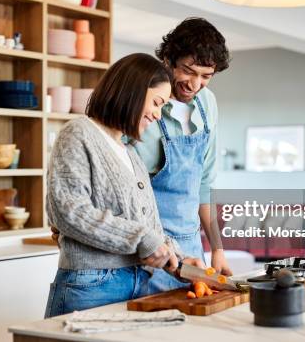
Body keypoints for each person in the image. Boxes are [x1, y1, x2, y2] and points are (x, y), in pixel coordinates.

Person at [44, 53, 203, 318]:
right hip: (91, 285)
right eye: (156, 103)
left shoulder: (131, 154)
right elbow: (68, 211)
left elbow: (149, 227)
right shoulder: (79, 133)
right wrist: (143, 239)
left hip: (137, 282)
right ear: (132, 90)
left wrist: (180, 260)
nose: (156, 115)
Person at [133, 18, 233, 294]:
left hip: (190, 252)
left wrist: (217, 250)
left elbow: (204, 185)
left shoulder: (207, 103)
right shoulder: (142, 102)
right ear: (168, 59)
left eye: (206, 76)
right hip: (147, 252)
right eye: (188, 71)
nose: (195, 84)